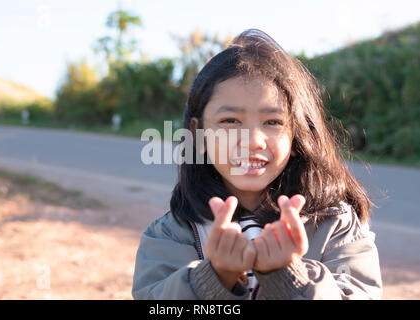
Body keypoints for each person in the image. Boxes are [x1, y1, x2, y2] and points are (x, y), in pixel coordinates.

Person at [132, 29, 383, 300]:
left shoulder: (336, 225)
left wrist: (290, 276)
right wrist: (214, 278)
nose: (253, 141)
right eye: (230, 121)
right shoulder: (170, 234)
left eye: (272, 122)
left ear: (296, 134)